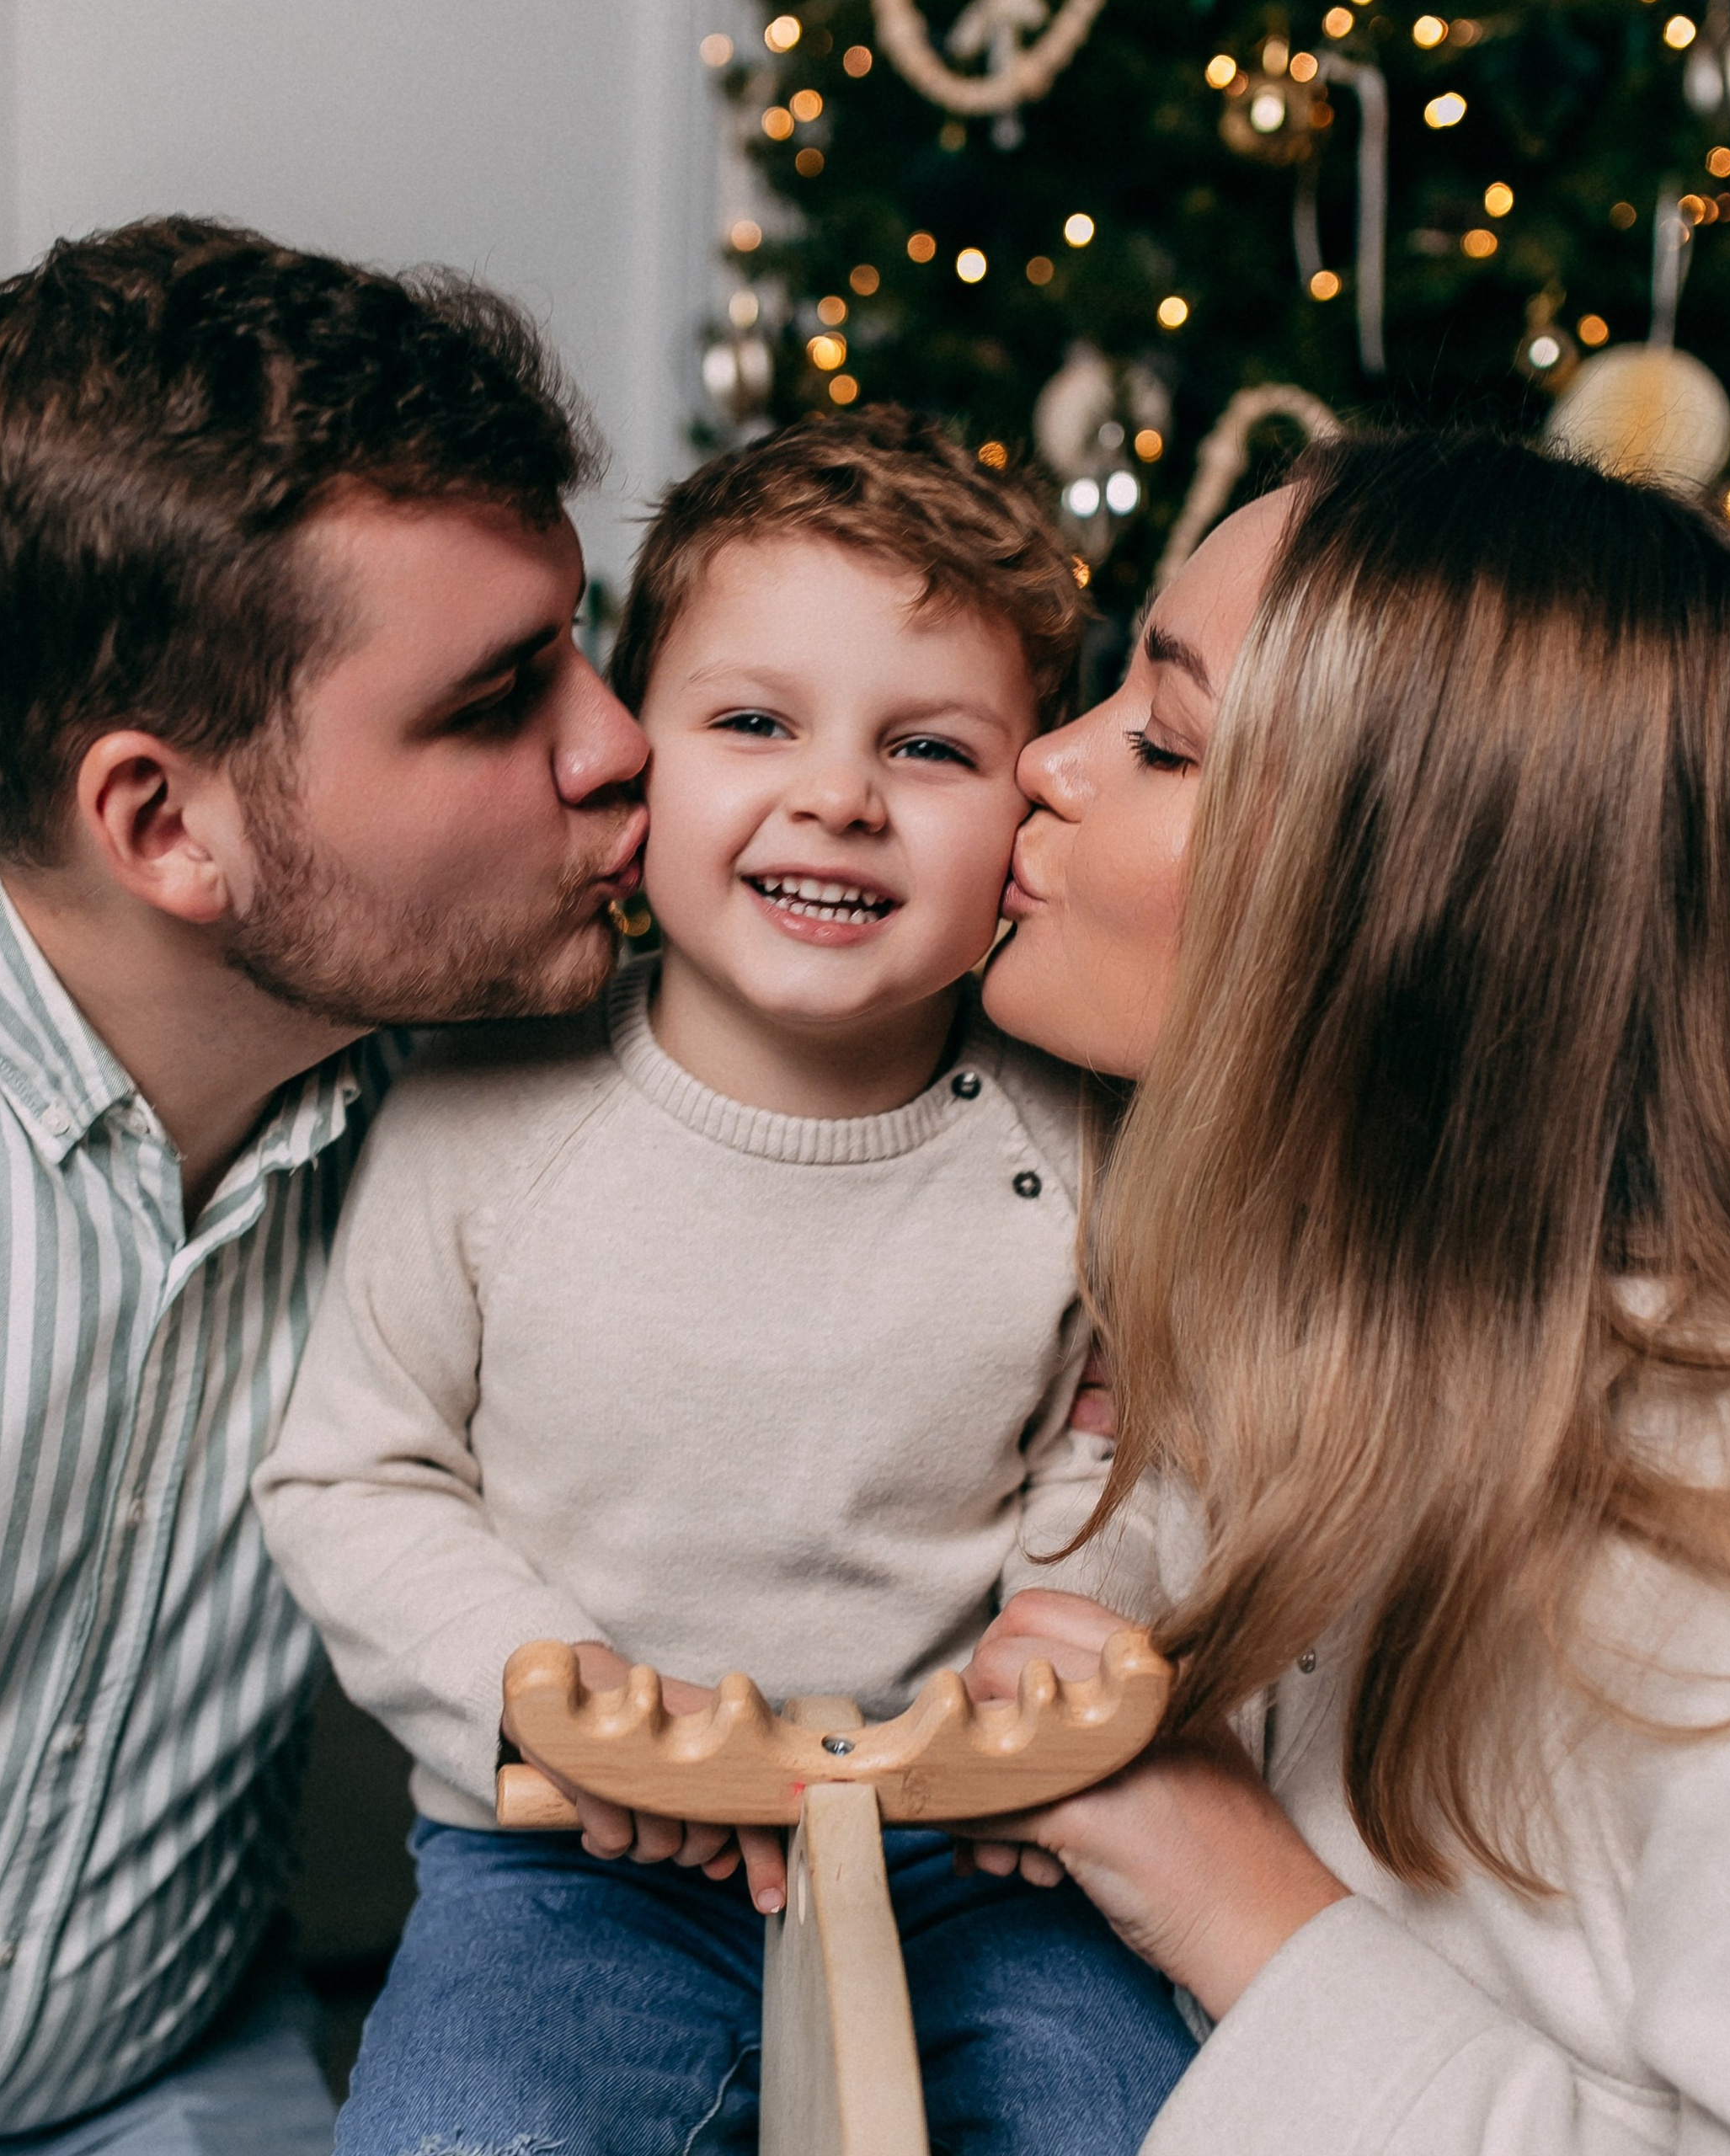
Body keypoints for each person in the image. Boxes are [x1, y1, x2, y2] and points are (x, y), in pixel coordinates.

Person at [0, 217, 649, 2153]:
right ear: (164, 822)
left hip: (166, 2081)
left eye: (586, 640)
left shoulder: (517, 1049)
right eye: (495, 703)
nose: (617, 744)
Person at [255, 408, 1197, 2156]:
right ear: (634, 758)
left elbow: (1121, 1439)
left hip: (970, 1843)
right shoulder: (485, 1106)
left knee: (1117, 2115)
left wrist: (1055, 1642)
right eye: (753, 723)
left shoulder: (1078, 1134)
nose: (833, 795)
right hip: (569, 1853)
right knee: (464, 2132)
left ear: (1025, 804)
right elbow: (351, 1471)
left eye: (924, 746)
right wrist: (549, 1687)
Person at [960, 430, 1730, 2154]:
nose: (1042, 760)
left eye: (1164, 739)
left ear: (1415, 910)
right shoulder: (1298, 1325)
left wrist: (1247, 1904)